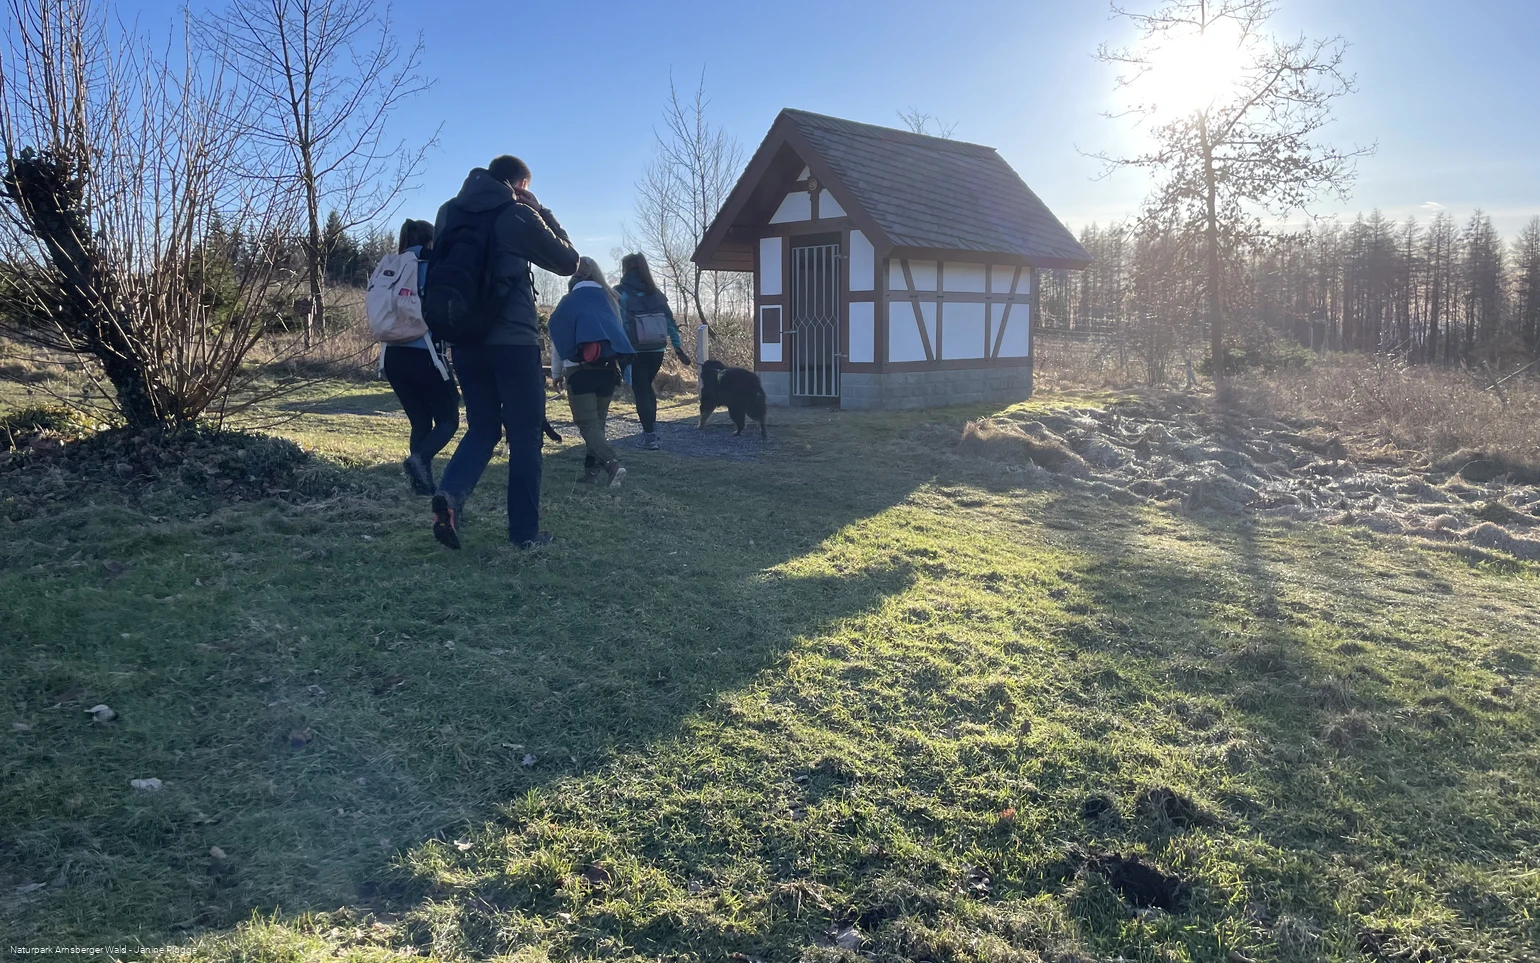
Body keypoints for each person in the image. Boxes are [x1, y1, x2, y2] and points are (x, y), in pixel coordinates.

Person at [429, 155, 579, 550]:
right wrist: (540, 210)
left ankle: (451, 495)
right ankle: (525, 534)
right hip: (512, 342)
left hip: (463, 340)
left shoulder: (448, 212)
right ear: (521, 184)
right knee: (526, 435)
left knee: (482, 427)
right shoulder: (515, 214)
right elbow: (569, 261)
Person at [381, 219, 459, 496]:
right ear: (430, 241)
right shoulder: (429, 266)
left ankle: (421, 485)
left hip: (391, 355)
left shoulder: (390, 267)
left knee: (420, 421)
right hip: (426, 354)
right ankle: (419, 460)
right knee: (449, 419)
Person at [548, 257, 635, 487]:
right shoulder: (611, 299)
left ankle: (612, 463)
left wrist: (556, 372)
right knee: (598, 423)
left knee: (587, 423)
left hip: (579, 370)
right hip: (608, 371)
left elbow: (559, 339)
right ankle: (591, 473)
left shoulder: (568, 301)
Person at [615, 253, 691, 450]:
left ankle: (649, 438)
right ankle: (652, 433)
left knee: (641, 391)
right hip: (656, 349)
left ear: (625, 269)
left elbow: (615, 323)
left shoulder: (619, 293)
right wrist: (678, 348)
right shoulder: (656, 293)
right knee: (647, 388)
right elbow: (671, 324)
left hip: (633, 350)